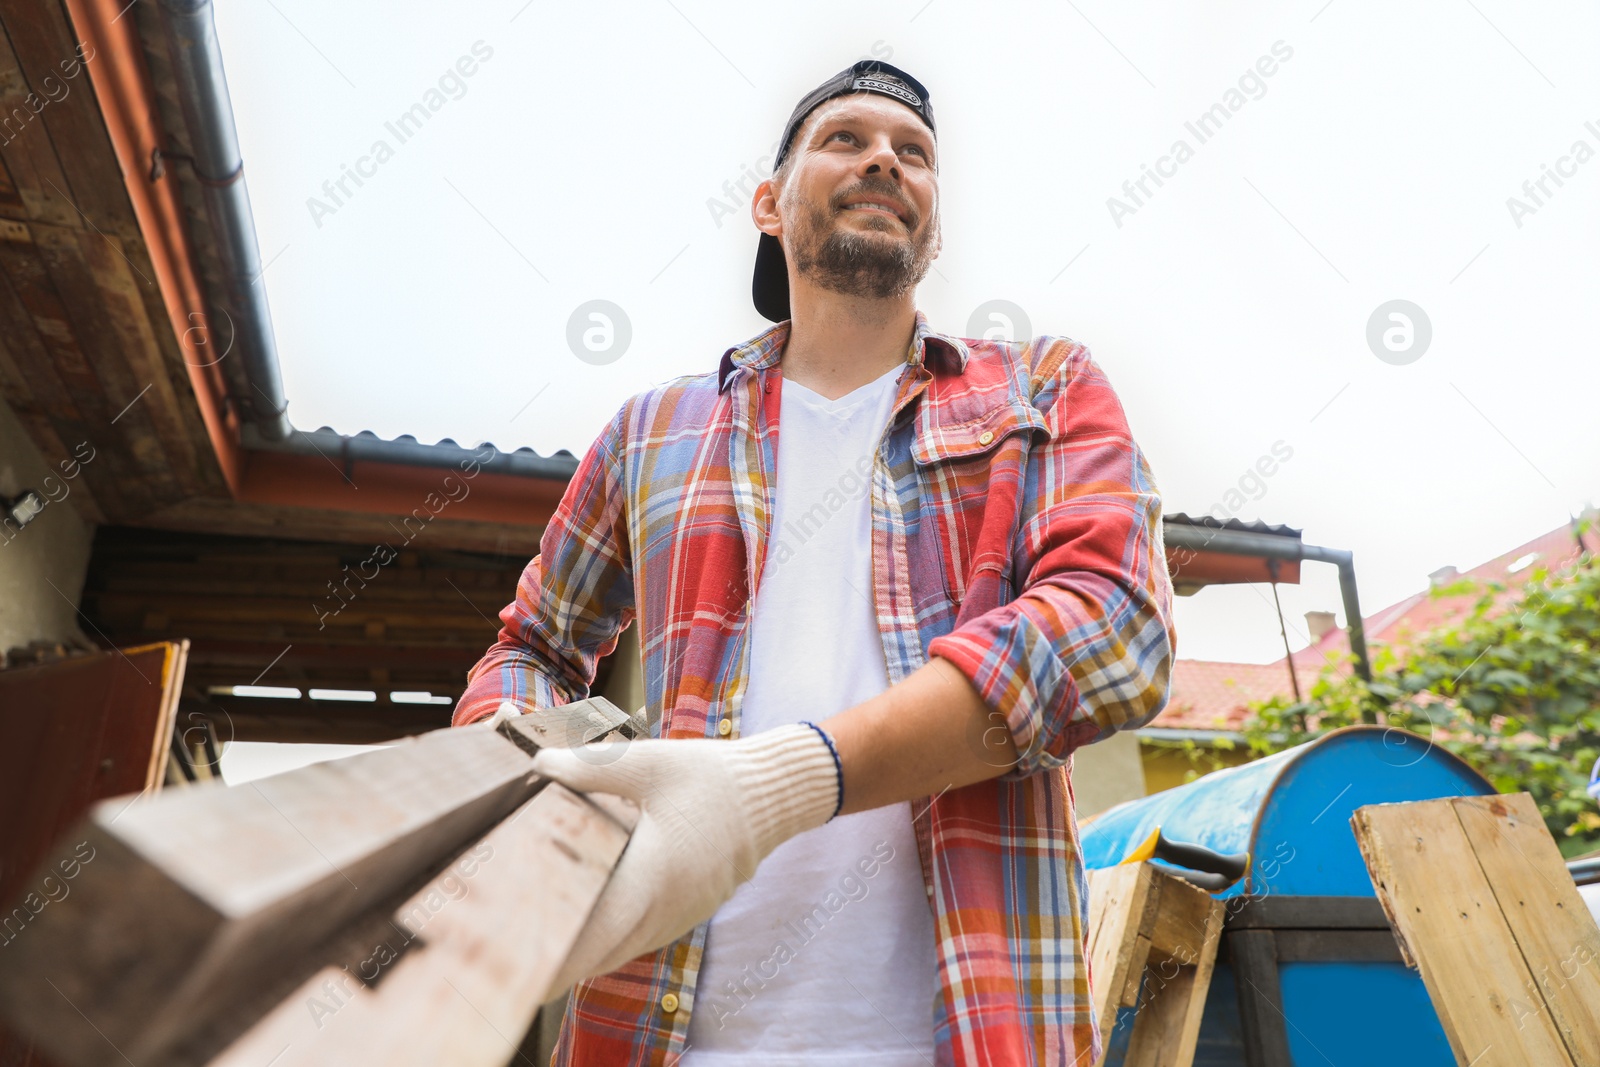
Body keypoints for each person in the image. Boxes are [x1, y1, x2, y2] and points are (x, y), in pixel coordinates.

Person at [453, 59, 1177, 1067]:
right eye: (844, 138)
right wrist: (533, 770)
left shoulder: (1044, 389)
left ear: (934, 219)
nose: (885, 156)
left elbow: (1114, 629)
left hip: (969, 1030)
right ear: (766, 201)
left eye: (914, 152)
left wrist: (773, 784)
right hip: (653, 1029)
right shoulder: (651, 432)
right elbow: (531, 647)